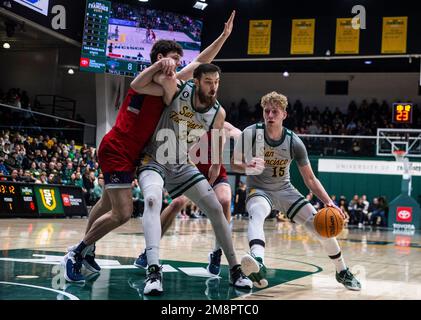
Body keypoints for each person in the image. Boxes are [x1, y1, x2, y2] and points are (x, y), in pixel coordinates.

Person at [62, 11, 238, 283]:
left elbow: (202, 62)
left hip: (137, 154)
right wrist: (159, 66)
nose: (180, 65)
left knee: (107, 202)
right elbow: (136, 82)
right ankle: (79, 250)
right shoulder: (147, 83)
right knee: (122, 212)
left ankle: (88, 248)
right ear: (160, 59)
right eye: (175, 59)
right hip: (118, 147)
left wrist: (224, 37)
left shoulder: (173, 84)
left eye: (179, 61)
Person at [136, 62, 252, 296]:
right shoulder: (178, 89)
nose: (213, 87)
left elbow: (219, 136)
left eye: (217, 82)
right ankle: (153, 271)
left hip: (182, 165)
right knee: (151, 200)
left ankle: (234, 269)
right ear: (196, 81)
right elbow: (137, 85)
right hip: (154, 159)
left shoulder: (218, 112)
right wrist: (159, 67)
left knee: (216, 207)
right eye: (209, 82)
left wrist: (217, 164)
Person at [231, 91, 361, 291]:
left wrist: (330, 203)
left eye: (275, 111)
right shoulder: (250, 133)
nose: (270, 115)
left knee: (321, 225)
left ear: (284, 114)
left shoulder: (294, 142)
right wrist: (248, 166)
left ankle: (342, 271)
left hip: (285, 189)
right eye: (267, 111)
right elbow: (235, 163)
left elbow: (310, 179)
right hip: (259, 189)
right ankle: (258, 261)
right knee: (256, 213)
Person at [133, 121, 242, 277]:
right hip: (191, 171)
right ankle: (148, 251)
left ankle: (217, 253)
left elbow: (237, 132)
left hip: (215, 174)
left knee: (224, 201)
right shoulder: (192, 120)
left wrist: (244, 141)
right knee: (177, 203)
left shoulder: (219, 122)